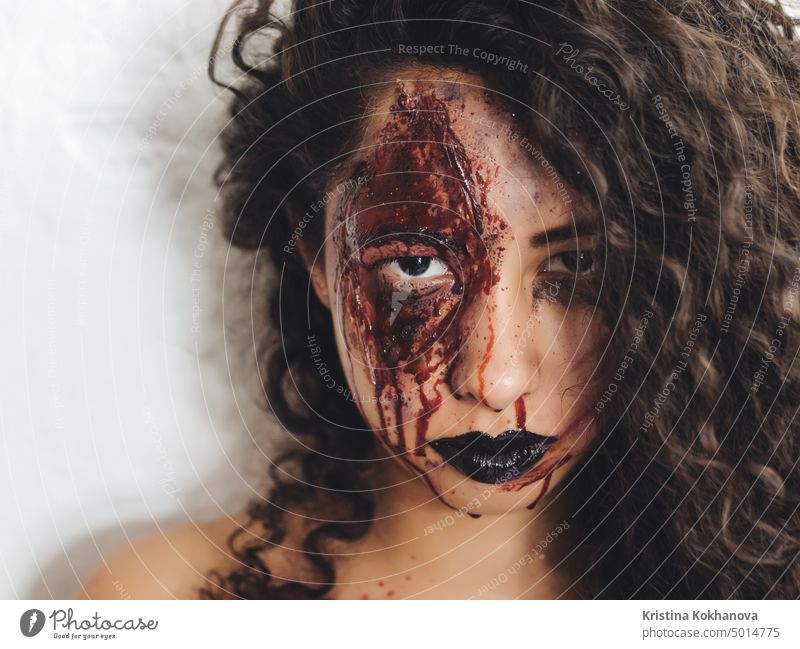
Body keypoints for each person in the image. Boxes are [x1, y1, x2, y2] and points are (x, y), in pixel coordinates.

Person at [82, 0, 800, 599]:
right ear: (318, 257)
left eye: (579, 264)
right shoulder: (161, 602)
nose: (496, 378)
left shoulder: (740, 598)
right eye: (418, 262)